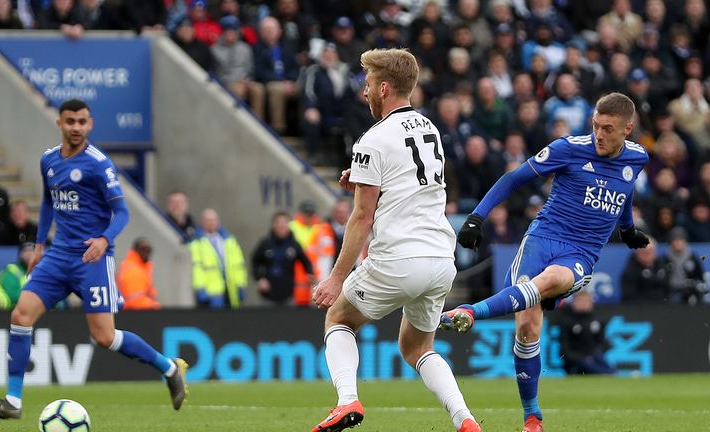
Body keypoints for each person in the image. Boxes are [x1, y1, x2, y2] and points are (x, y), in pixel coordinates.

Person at [441, 92, 650, 432]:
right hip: (541, 240)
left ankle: (470, 312)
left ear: (628, 128)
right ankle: (532, 416)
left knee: (549, 282)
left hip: (580, 252)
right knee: (526, 328)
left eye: (608, 129)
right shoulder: (568, 148)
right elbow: (514, 179)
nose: (599, 134)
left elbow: (624, 190)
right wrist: (476, 217)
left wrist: (627, 229)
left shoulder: (639, 157)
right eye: (596, 125)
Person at [0, 99, 187, 420]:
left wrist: (104, 240)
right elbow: (48, 202)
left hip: (92, 258)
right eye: (70, 121)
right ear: (60, 123)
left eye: (82, 122)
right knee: (20, 316)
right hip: (58, 254)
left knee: (104, 337)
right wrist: (39, 244)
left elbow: (122, 212)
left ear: (91, 125)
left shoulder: (98, 164)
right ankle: (13, 401)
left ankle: (168, 368)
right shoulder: (48, 159)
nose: (76, 127)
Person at [310, 48, 480, 432]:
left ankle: (347, 401)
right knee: (418, 347)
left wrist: (337, 277)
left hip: (399, 258)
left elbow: (361, 217)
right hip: (440, 259)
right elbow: (407, 183)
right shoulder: (429, 128)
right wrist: (362, 178)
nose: (365, 93)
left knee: (339, 317)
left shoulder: (373, 138)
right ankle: (465, 420)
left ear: (384, 87)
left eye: (369, 84)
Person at [252, 211, 314, 306]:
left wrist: (310, 274)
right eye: (278, 223)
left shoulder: (294, 244)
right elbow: (255, 262)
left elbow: (306, 261)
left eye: (285, 223)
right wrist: (260, 279)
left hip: (288, 294)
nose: (282, 226)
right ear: (273, 225)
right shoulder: (265, 243)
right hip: (268, 294)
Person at [189, 208, 247, 309]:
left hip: (230, 288)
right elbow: (197, 268)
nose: (212, 223)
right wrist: (200, 288)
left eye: (214, 220)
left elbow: (239, 265)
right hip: (212, 291)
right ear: (203, 222)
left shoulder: (229, 241)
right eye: (208, 220)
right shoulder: (196, 243)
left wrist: (240, 284)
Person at [556, 290, 616, 375]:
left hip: (594, 357)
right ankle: (608, 373)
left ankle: (610, 372)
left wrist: (594, 354)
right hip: (575, 360)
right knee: (585, 362)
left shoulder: (598, 320)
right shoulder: (567, 322)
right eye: (580, 301)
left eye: (586, 301)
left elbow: (603, 342)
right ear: (574, 303)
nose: (583, 304)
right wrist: (579, 357)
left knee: (598, 358)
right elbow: (564, 347)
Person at [117, 237, 161, 310]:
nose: (146, 252)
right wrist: (154, 305)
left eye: (148, 250)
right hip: (133, 315)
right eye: (143, 249)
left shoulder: (139, 268)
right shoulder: (133, 271)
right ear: (135, 251)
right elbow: (135, 301)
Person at [0, 242, 37, 307]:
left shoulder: (42, 271)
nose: (29, 254)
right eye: (25, 251)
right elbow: (12, 295)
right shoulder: (11, 270)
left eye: (32, 251)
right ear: (19, 255)